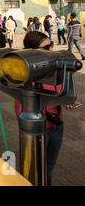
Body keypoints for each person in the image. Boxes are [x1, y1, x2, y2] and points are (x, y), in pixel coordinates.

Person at [14, 31, 81, 185]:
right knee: (35, 169)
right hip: (38, 128)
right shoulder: (24, 73)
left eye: (51, 45)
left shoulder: (54, 68)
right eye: (46, 47)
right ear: (32, 51)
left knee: (48, 168)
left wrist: (65, 100)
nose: (51, 49)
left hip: (57, 125)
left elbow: (58, 92)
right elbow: (21, 106)